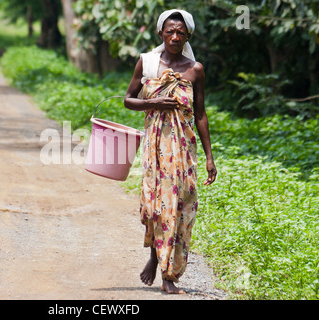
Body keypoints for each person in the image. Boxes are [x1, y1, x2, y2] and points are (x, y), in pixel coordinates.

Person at [124, 9, 217, 294]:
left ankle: (168, 273)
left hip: (183, 150)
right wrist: (155, 104)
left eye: (180, 32)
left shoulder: (195, 69)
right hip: (155, 146)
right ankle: (155, 258)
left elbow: (200, 114)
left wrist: (210, 157)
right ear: (160, 34)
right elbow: (128, 100)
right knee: (155, 205)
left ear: (188, 35)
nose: (174, 37)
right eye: (169, 31)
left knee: (178, 205)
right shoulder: (147, 63)